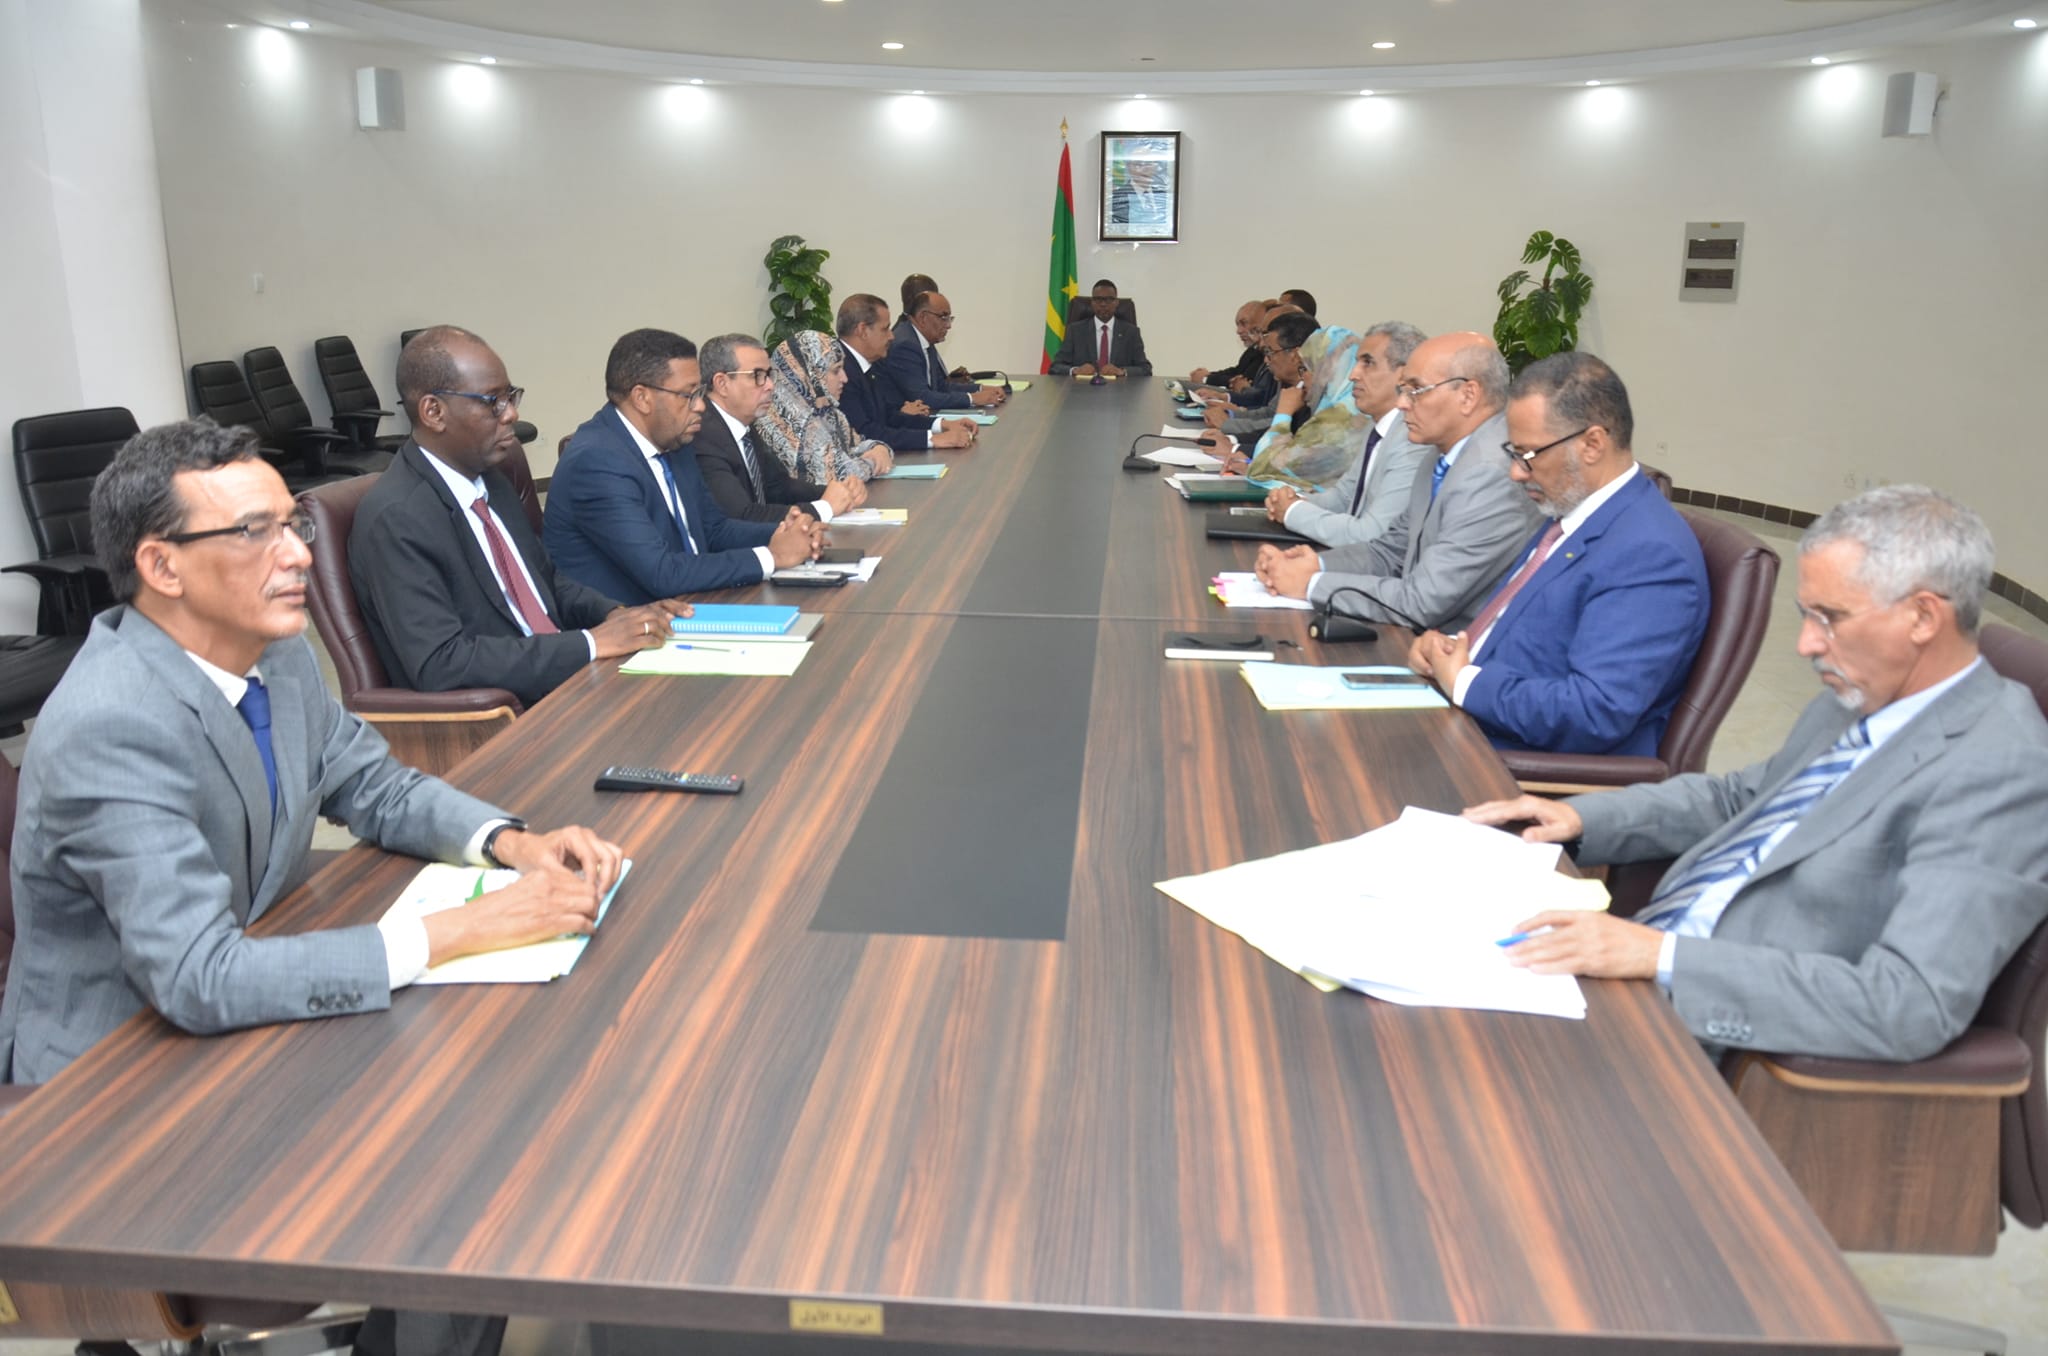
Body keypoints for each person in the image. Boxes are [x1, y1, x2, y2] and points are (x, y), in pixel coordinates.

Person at [1, 418, 631, 1356]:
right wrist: (464, 931)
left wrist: (511, 843)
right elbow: (199, 978)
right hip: (116, 1091)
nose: (298, 553)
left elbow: (370, 783)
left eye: (291, 524)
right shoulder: (111, 722)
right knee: (459, 1173)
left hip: (229, 1019)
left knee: (499, 1093)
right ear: (162, 567)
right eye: (253, 533)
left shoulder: (274, 650)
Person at [1466, 485, 2048, 1062]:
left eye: (1830, 618)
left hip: (1721, 1042)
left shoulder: (1999, 768)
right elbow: (1736, 800)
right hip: (1637, 971)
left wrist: (1659, 956)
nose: (1806, 645)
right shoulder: (1865, 691)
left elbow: (1908, 1003)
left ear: (1923, 616)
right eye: (1806, 616)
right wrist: (1577, 816)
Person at [351, 326, 685, 709]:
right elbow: (442, 663)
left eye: (510, 397)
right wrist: (590, 643)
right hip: (511, 715)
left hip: (566, 680)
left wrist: (616, 614)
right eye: (492, 401)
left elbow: (546, 581)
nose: (511, 413)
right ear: (433, 412)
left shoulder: (490, 478)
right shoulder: (398, 518)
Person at [1406, 351, 1707, 756]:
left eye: (1528, 455)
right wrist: (1450, 652)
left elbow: (1594, 711)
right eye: (1513, 453)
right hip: (1475, 720)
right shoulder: (1571, 513)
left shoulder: (1649, 554)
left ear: (1592, 444)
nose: (1516, 472)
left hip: (1515, 762)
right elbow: (1522, 633)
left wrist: (1464, 681)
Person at [1253, 332, 1542, 631]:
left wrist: (1310, 584)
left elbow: (1424, 602)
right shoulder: (1440, 453)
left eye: (1416, 390)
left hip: (1455, 646)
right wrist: (1317, 564)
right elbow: (1389, 551)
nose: (1402, 403)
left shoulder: (1491, 473)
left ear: (1468, 396)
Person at [545, 328, 821, 604]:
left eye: (699, 392)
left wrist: (787, 533)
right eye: (689, 395)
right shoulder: (596, 462)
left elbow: (714, 530)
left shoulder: (675, 442)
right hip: (636, 618)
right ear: (642, 398)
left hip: (695, 601)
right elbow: (662, 573)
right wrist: (772, 556)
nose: (700, 406)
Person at [1263, 321, 1432, 549]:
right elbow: (1342, 498)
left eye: (1368, 363)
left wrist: (1293, 512)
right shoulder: (1378, 427)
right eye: (1357, 362)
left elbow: (1372, 535)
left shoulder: (1412, 439)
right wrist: (1294, 501)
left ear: (1403, 375)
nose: (1353, 374)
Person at [690, 331, 864, 521]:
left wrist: (837, 492)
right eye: (758, 375)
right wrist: (824, 507)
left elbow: (779, 487)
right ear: (722, 383)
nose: (770, 385)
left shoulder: (744, 424)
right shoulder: (703, 436)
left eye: (769, 375)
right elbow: (742, 515)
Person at [833, 293, 977, 453]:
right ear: (863, 331)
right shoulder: (840, 371)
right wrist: (932, 439)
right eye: (885, 329)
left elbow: (889, 416)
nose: (891, 336)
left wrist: (941, 424)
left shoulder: (863, 365)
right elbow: (863, 433)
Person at [754, 332, 899, 486]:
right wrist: (875, 459)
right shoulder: (786, 421)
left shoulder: (828, 411)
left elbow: (856, 446)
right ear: (811, 374)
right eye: (836, 370)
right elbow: (842, 474)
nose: (845, 378)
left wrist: (879, 448)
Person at [1239, 321, 1365, 486]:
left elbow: (1262, 470)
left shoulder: (1337, 420)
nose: (1302, 377)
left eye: (1305, 369)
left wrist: (1283, 415)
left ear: (1325, 372)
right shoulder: (1348, 410)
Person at [879, 291, 1005, 412]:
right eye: (944, 317)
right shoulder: (905, 345)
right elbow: (922, 398)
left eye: (949, 318)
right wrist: (972, 399)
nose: (948, 325)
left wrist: (980, 388)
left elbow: (941, 386)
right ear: (923, 317)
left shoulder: (925, 339)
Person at [1047, 279, 1153, 378]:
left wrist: (1122, 371)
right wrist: (1075, 370)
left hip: (1119, 390)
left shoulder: (1131, 332)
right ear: (1092, 302)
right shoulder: (1075, 331)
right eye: (1098, 299)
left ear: (1116, 302)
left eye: (1109, 299)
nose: (1103, 304)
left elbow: (1146, 369)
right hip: (1083, 389)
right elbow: (1055, 367)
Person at [1189, 299, 1267, 390]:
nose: (1238, 331)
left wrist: (1206, 379)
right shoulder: (1252, 350)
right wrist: (1208, 375)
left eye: (1244, 323)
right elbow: (1236, 371)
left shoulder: (1265, 353)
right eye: (1237, 325)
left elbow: (1244, 381)